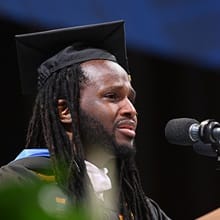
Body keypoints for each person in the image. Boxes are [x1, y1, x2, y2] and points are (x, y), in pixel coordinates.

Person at [0, 20, 171, 219]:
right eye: (112, 96)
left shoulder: (136, 206)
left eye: (130, 99)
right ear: (65, 110)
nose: (130, 110)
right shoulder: (17, 185)